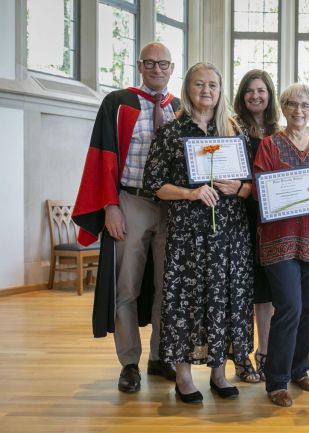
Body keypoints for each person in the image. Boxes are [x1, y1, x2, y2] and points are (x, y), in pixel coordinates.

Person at [143, 62, 254, 404]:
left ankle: (220, 373)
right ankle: (183, 377)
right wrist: (190, 193)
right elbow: (154, 185)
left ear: (221, 92)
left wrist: (238, 187)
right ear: (188, 89)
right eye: (199, 84)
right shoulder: (172, 132)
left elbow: (252, 188)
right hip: (188, 235)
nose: (206, 91)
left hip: (229, 235)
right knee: (185, 303)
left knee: (223, 300)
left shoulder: (235, 133)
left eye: (213, 85)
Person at [72, 42, 178, 393]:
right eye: (150, 63)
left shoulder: (178, 108)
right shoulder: (117, 103)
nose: (157, 69)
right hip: (131, 201)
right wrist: (109, 205)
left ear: (172, 68)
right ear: (139, 65)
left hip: (172, 207)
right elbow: (101, 158)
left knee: (168, 285)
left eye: (163, 64)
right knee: (127, 285)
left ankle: (160, 356)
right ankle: (129, 362)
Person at [253, 83, 309, 407]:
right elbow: (262, 189)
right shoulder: (269, 145)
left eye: (305, 105)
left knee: (308, 310)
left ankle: (299, 368)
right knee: (288, 306)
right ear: (283, 108)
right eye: (292, 104)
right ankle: (276, 379)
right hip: (280, 240)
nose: (298, 110)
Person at [232, 69, 281, 382]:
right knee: (239, 292)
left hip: (270, 219)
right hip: (237, 216)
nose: (255, 96)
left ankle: (264, 353)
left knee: (264, 294)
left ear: (270, 94)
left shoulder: (279, 132)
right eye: (249, 91)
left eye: (261, 90)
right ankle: (239, 357)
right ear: (242, 94)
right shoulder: (231, 127)